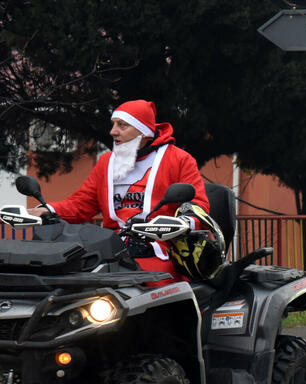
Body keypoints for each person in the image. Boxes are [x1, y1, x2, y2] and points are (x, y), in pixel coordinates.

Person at [28, 100, 211, 284]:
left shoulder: (179, 159)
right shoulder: (106, 163)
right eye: (113, 124)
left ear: (143, 132)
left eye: (122, 125)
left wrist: (182, 223)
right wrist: (48, 210)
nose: (113, 131)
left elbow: (198, 207)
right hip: (107, 249)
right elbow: (81, 204)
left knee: (156, 286)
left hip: (158, 249)